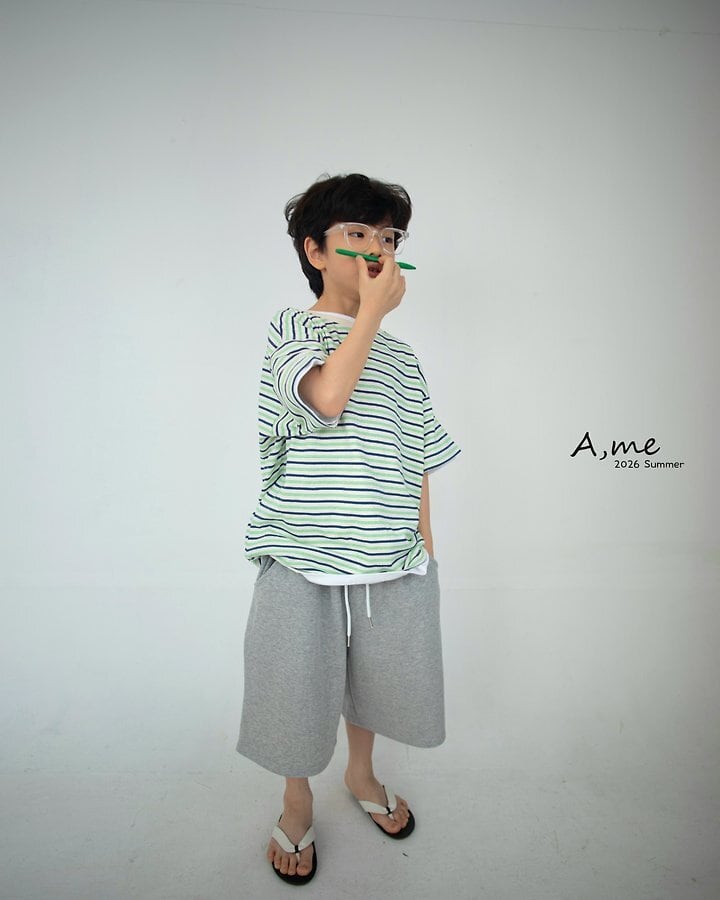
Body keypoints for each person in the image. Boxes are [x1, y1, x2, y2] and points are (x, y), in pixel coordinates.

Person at [237, 173, 461, 885]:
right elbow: (327, 399)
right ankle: (296, 798)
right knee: (295, 685)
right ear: (314, 250)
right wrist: (369, 314)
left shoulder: (403, 358)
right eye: (358, 234)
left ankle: (360, 775)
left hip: (391, 556)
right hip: (302, 552)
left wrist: (425, 551)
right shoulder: (291, 330)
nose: (377, 249)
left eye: (389, 237)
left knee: (376, 680)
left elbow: (418, 456)